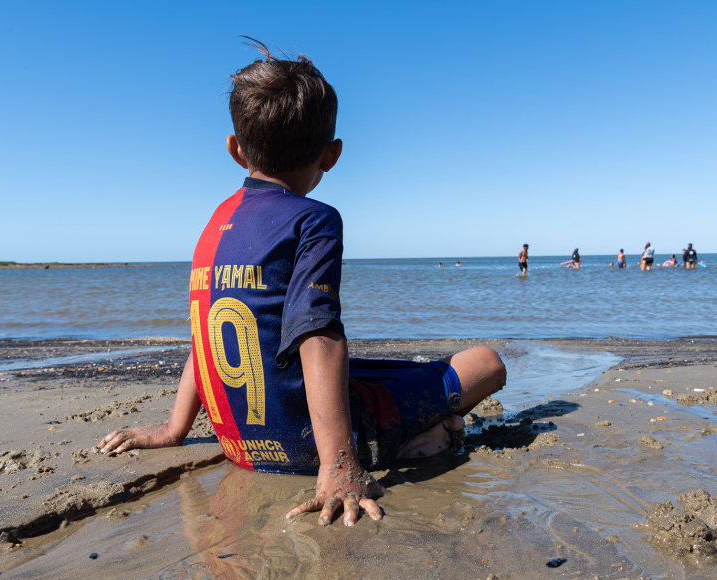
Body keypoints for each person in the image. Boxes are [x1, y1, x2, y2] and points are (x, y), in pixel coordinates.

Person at [97, 40, 507, 527]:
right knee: (485, 363)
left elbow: (206, 333)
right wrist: (338, 467)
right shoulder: (315, 220)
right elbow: (317, 332)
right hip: (304, 448)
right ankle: (408, 443)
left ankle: (414, 435)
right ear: (331, 155)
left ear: (235, 149)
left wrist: (173, 428)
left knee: (383, 371)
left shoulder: (215, 224)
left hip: (239, 445)